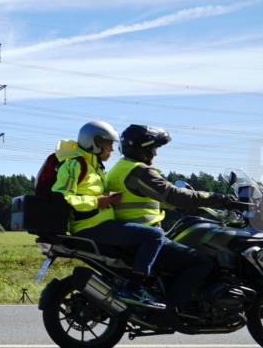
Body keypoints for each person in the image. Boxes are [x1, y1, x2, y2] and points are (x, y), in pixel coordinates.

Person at [106, 124, 247, 323]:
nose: (155, 153)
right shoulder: (139, 171)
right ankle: (173, 309)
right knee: (201, 261)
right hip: (143, 236)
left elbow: (154, 198)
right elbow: (174, 194)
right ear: (142, 147)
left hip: (131, 235)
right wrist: (220, 199)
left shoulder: (119, 169)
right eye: (152, 148)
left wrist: (183, 207)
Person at [50, 121, 167, 307]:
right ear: (94, 142)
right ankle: (135, 289)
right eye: (108, 144)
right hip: (90, 227)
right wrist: (100, 201)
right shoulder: (75, 164)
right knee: (154, 236)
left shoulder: (93, 165)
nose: (112, 149)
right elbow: (62, 198)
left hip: (100, 225)